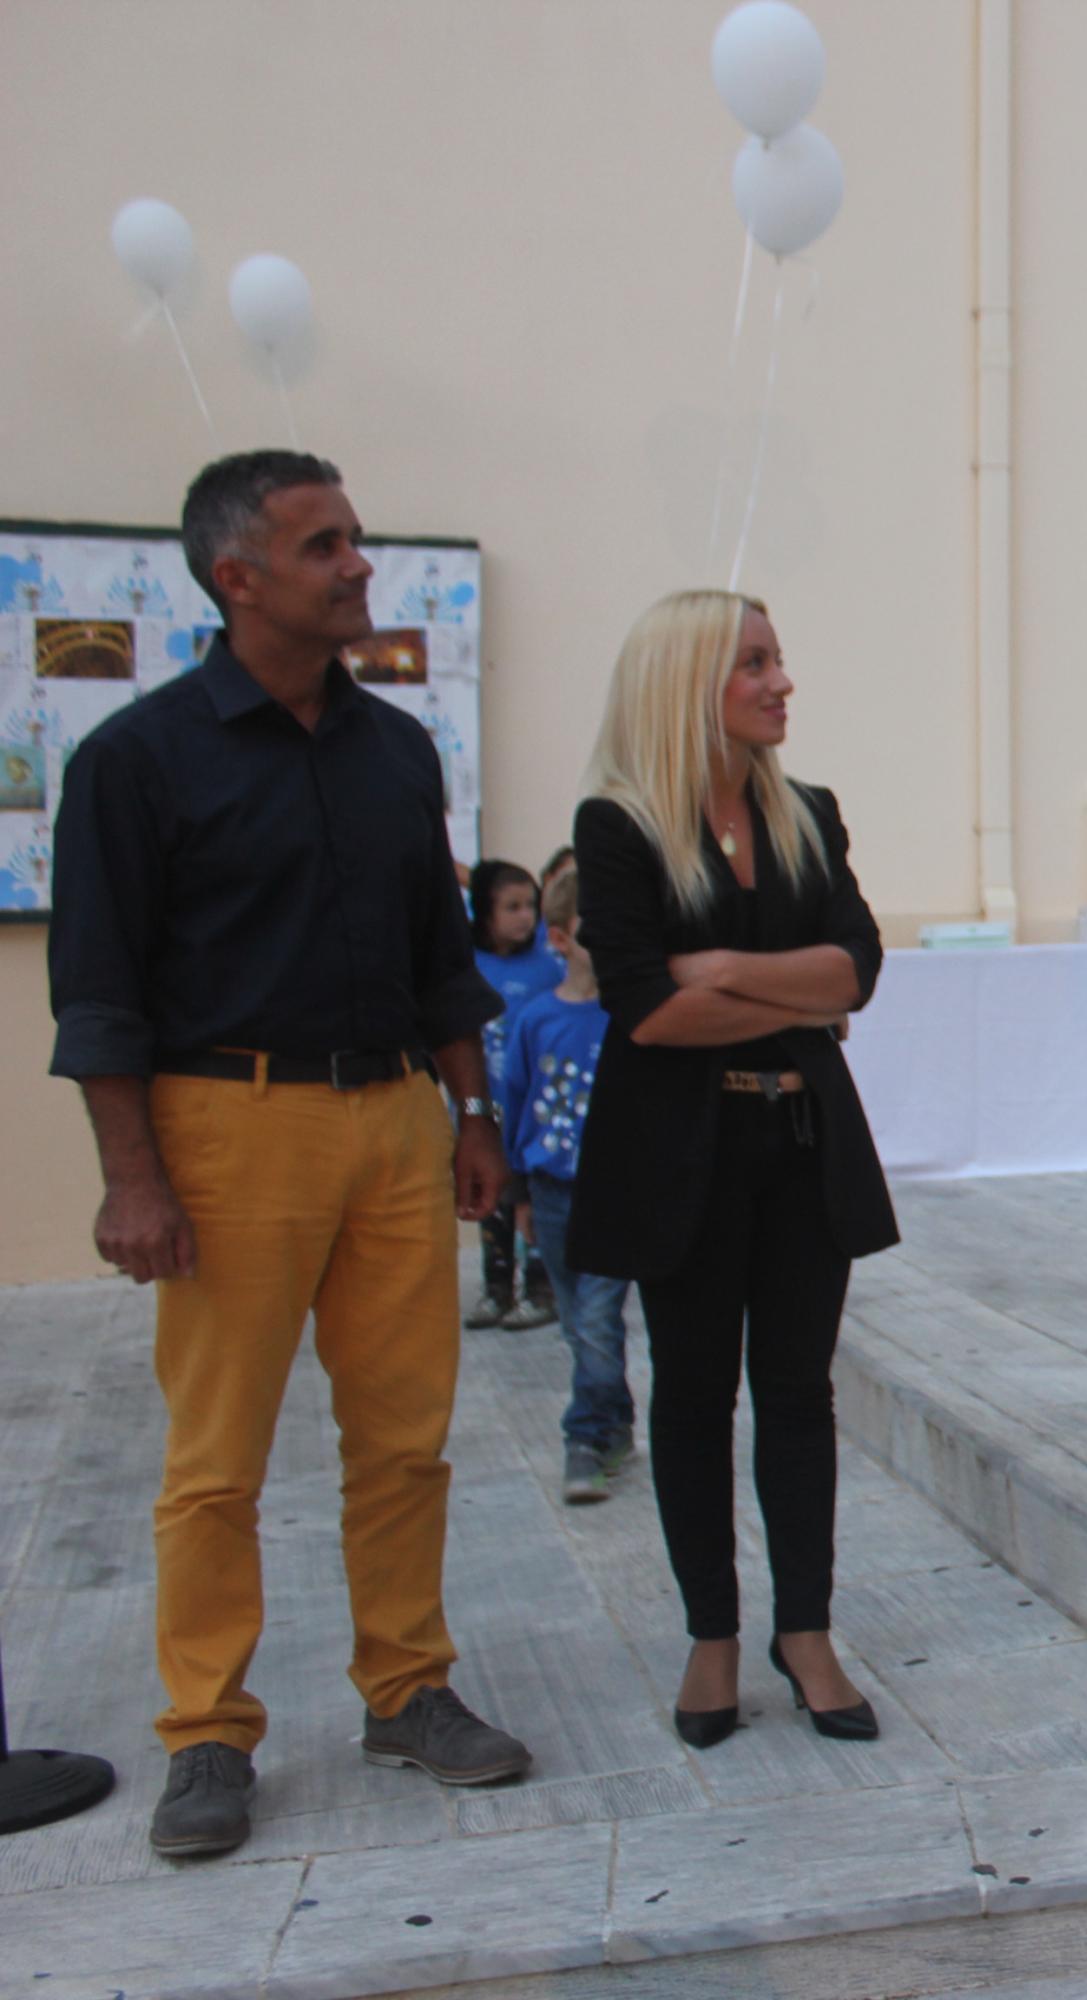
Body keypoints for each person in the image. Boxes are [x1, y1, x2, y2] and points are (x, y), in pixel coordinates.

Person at [47, 450, 532, 1859]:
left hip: (394, 1122)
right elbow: (100, 993)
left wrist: (472, 1114)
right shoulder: (135, 762)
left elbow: (441, 960)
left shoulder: (395, 751)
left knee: (405, 1437)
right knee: (218, 1457)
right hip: (227, 1126)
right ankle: (207, 1729)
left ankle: (408, 1687)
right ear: (238, 577)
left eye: (356, 539)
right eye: (325, 546)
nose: (358, 565)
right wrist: (133, 1178)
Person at [567, 588, 897, 1745]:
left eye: (777, 658)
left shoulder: (808, 812)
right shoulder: (618, 826)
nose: (781, 680)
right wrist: (791, 996)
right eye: (754, 662)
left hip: (804, 1145)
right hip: (684, 1157)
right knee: (695, 1395)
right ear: (687, 682)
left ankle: (805, 1630)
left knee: (798, 1393)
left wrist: (720, 970)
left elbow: (858, 969)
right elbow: (648, 1011)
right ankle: (712, 1633)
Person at [500, 866, 635, 1506]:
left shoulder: (630, 1016)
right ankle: (615, 1419)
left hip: (615, 1190)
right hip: (553, 1193)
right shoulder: (536, 1020)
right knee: (579, 1322)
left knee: (597, 1318)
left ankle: (584, 1437)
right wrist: (519, 1194)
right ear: (560, 939)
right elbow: (513, 1099)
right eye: (595, 929)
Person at [469, 857, 563, 1330]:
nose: (526, 916)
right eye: (512, 907)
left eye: (531, 905)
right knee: (494, 1197)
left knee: (534, 1200)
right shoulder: (470, 965)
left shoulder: (549, 964)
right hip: (489, 1109)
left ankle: (541, 1290)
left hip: (537, 1110)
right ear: (485, 914)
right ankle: (497, 1288)